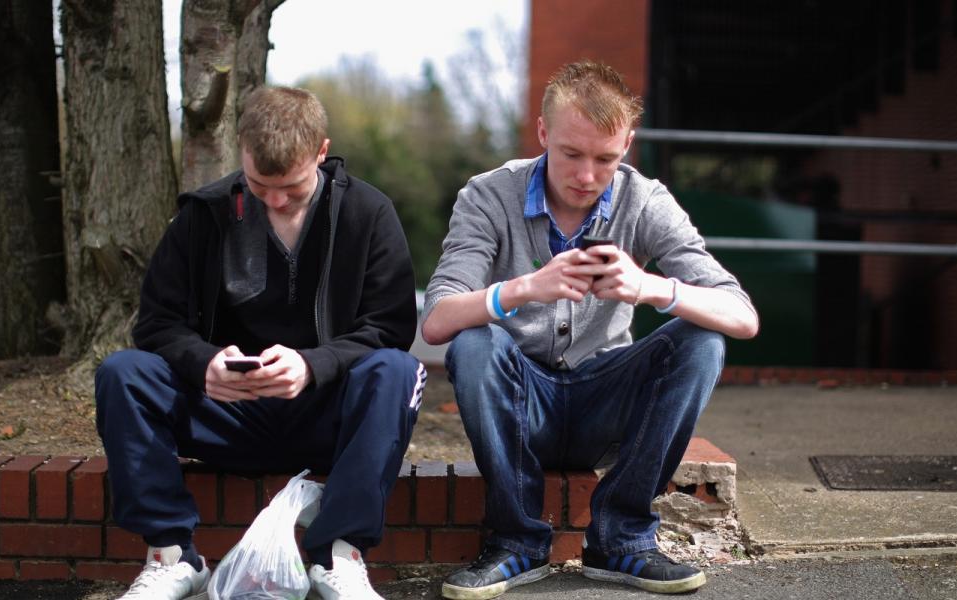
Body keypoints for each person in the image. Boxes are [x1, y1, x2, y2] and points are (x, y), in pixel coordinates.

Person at [421, 61, 759, 599]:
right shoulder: (487, 195)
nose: (586, 176)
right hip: (520, 398)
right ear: (542, 133)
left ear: (628, 143)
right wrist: (526, 288)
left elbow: (743, 317)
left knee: (702, 340)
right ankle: (514, 543)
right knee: (474, 340)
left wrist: (651, 288)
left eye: (606, 158)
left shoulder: (645, 200)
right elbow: (437, 321)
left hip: (606, 400)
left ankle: (622, 538)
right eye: (571, 154)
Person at [94, 86, 424, 600]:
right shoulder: (203, 216)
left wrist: (313, 365)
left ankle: (340, 554)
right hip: (225, 413)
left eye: (291, 188)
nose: (274, 200)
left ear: (322, 151)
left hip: (324, 415)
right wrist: (204, 363)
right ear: (241, 151)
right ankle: (170, 555)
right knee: (123, 372)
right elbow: (157, 325)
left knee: (396, 372)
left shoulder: (368, 213)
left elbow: (391, 326)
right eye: (258, 184)